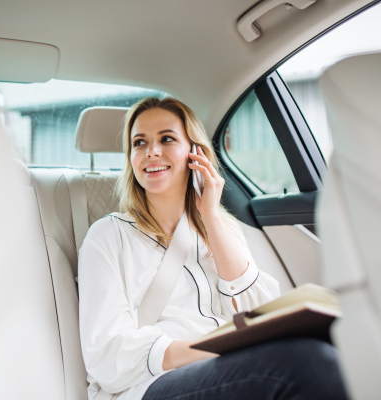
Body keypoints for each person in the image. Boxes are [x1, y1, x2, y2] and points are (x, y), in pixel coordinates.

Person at [77, 97, 349, 400]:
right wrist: (208, 350)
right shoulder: (107, 235)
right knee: (309, 363)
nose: (151, 151)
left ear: (196, 153)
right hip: (150, 386)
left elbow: (256, 311)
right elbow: (106, 353)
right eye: (139, 143)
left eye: (166, 139)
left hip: (231, 363)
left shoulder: (224, 229)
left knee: (339, 347)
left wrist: (210, 216)